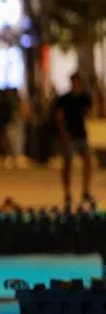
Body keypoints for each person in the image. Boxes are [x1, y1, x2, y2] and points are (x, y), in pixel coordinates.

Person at [55, 72, 94, 210]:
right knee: (68, 164)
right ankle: (67, 193)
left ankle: (86, 191)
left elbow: (90, 111)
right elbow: (60, 117)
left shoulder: (84, 98)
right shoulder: (65, 99)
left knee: (88, 162)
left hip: (81, 134)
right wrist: (63, 133)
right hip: (69, 135)